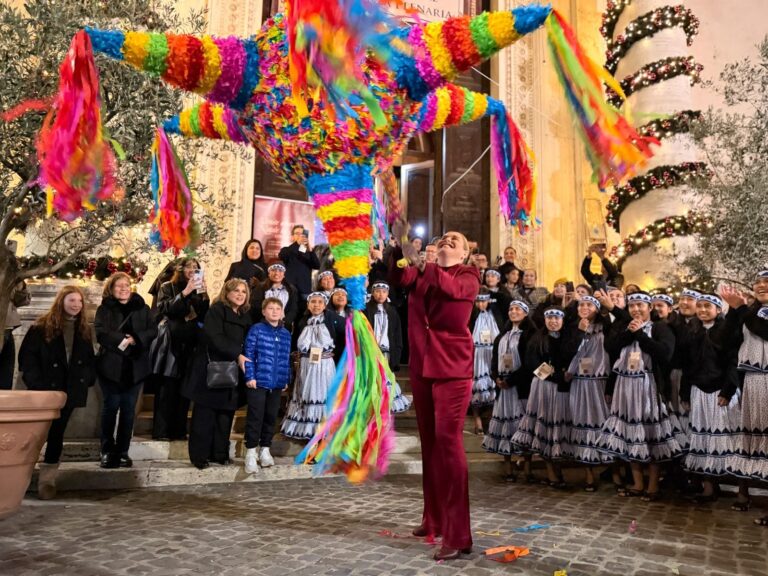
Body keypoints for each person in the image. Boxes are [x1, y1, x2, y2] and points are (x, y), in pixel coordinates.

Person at [389, 226, 480, 561]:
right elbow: (399, 276)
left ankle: (459, 534)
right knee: (429, 445)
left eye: (455, 240)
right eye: (443, 238)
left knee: (448, 442)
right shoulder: (423, 272)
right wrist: (400, 246)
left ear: (464, 254)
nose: (447, 240)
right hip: (423, 367)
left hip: (453, 370)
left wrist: (431, 267)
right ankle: (434, 519)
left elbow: (453, 291)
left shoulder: (468, 275)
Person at [596, 292, 682, 501]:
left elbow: (665, 353)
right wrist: (630, 332)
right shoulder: (626, 327)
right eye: (632, 305)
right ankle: (637, 482)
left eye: (640, 305)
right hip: (625, 387)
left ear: (649, 307)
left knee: (650, 434)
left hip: (648, 387)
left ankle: (652, 484)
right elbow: (611, 348)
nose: (636, 309)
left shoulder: (660, 328)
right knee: (630, 434)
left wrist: (641, 334)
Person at [19, 286, 95, 499]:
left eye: (79, 301)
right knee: (35, 436)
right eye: (72, 300)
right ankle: (20, 478)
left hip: (68, 391)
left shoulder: (84, 329)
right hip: (44, 391)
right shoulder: (41, 326)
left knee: (56, 435)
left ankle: (47, 480)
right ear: (61, 301)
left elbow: (89, 359)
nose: (76, 305)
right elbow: (28, 358)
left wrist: (87, 379)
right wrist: (36, 384)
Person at [183, 279, 251, 470]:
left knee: (225, 414)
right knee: (204, 415)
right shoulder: (217, 310)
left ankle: (219, 453)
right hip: (212, 369)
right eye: (236, 291)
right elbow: (215, 338)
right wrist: (237, 354)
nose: (240, 294)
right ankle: (200, 455)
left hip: (232, 372)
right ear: (226, 293)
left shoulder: (244, 315)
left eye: (243, 292)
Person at [679, 294, 740, 502]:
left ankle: (736, 488)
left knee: (724, 438)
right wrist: (685, 392)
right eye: (700, 306)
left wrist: (727, 391)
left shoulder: (726, 331)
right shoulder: (692, 331)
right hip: (699, 390)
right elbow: (687, 364)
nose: (703, 310)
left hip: (719, 392)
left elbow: (733, 362)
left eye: (708, 306)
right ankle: (708, 487)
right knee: (703, 437)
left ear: (718, 309)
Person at [94, 272, 156, 469]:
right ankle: (106, 450)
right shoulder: (105, 308)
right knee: (110, 407)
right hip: (111, 367)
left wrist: (135, 338)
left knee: (129, 411)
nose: (123, 289)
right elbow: (101, 332)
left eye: (126, 285)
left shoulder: (142, 307)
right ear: (111, 289)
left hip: (135, 367)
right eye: (119, 286)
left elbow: (153, 330)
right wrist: (121, 340)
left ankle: (122, 451)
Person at [720, 275, 768, 524]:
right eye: (758, 282)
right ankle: (744, 494)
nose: (761, 286)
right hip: (752, 382)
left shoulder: (751, 315)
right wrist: (732, 312)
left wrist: (741, 310)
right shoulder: (749, 312)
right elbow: (729, 345)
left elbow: (765, 331)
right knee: (751, 441)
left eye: (767, 282)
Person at [512, 307, 576, 488]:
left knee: (558, 429)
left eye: (556, 318)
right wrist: (554, 376)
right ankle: (551, 471)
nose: (553, 321)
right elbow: (532, 363)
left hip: (562, 390)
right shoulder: (537, 339)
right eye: (549, 318)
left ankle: (558, 467)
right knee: (545, 428)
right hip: (543, 386)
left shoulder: (567, 338)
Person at [154, 258, 210, 441]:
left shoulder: (199, 289)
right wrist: (185, 293)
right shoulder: (167, 286)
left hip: (191, 342)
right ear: (181, 269)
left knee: (185, 388)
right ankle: (161, 430)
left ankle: (179, 430)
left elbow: (203, 315)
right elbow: (165, 309)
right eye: (189, 267)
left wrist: (204, 294)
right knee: (167, 388)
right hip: (171, 342)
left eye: (196, 267)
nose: (192, 270)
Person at [482, 300, 535, 482]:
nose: (513, 312)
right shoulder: (502, 336)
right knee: (504, 425)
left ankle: (527, 467)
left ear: (525, 313)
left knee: (522, 425)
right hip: (503, 390)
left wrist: (511, 380)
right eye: (511, 309)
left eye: (517, 309)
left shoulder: (529, 335)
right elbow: (494, 360)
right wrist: (496, 377)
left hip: (519, 388)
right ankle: (508, 465)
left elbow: (529, 363)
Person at [281, 292, 344, 439]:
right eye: (313, 302)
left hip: (325, 365)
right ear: (308, 305)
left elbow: (347, 330)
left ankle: (325, 433)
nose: (316, 305)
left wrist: (338, 353)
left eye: (320, 302)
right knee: (307, 393)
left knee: (324, 394)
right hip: (307, 365)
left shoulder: (332, 318)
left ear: (325, 305)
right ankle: (307, 431)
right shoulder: (302, 321)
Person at [565, 296, 612, 491]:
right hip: (579, 381)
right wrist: (578, 332)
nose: (584, 308)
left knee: (604, 422)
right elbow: (567, 350)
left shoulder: (605, 326)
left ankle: (612, 469)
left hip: (599, 380)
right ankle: (589, 474)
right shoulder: (572, 328)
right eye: (581, 305)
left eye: (589, 304)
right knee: (581, 421)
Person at [242, 298, 292, 474]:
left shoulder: (286, 333)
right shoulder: (256, 329)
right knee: (256, 416)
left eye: (278, 308)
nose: (274, 311)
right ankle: (250, 452)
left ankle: (265, 449)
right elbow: (248, 353)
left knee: (271, 417)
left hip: (276, 383)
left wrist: (286, 377)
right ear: (264, 311)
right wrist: (250, 375)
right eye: (270, 308)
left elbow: (286, 359)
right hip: (258, 381)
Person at [364, 282, 410, 413]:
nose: (381, 294)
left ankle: (385, 414)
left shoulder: (392, 311)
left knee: (386, 381)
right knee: (373, 381)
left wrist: (397, 353)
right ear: (372, 293)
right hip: (371, 352)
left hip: (387, 353)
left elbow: (397, 334)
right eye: (377, 291)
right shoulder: (366, 310)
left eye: (384, 292)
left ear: (388, 294)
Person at [469, 289, 499, 434]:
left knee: (492, 386)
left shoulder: (495, 315)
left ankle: (491, 419)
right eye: (478, 301)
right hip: (476, 355)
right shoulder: (471, 316)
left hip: (491, 354)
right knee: (477, 387)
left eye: (484, 301)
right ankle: (477, 420)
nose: (481, 304)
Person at [250, 263, 299, 331]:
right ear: (269, 273)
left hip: (284, 326)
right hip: (263, 325)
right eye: (273, 270)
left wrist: (286, 321)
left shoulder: (291, 289)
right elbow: (255, 307)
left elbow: (293, 309)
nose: (276, 273)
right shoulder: (260, 287)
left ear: (284, 274)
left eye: (280, 270)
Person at [279, 224, 320, 303]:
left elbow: (317, 265)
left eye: (302, 234)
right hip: (290, 290)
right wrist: (297, 244)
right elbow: (282, 256)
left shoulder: (309, 252)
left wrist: (310, 251)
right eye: (297, 233)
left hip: (305, 290)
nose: (300, 236)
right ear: (292, 237)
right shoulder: (287, 249)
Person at [1, 279, 31, 390]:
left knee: (5, 379)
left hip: (7, 329)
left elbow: (22, 301)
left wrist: (20, 283)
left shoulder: (9, 269)